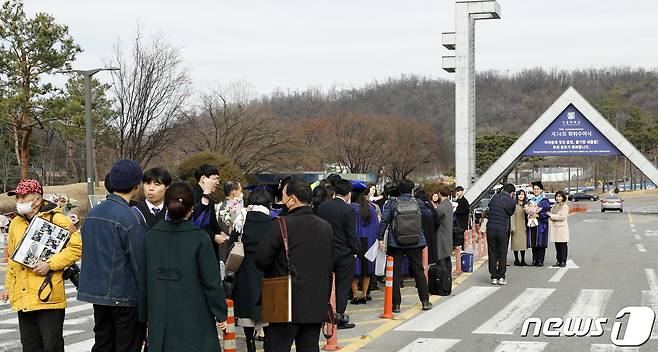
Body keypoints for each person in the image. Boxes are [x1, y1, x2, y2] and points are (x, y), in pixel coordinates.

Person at [139, 181, 228, 351]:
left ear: (167, 206)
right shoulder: (200, 238)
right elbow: (211, 282)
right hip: (195, 319)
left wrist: (143, 319)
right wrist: (220, 313)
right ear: (191, 209)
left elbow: (143, 282)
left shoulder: (150, 237)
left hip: (160, 319)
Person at [1, 179, 82, 352]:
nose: (20, 201)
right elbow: (13, 260)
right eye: (17, 198)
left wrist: (50, 264)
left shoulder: (58, 218)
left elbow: (76, 248)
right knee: (30, 346)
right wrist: (7, 287)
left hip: (48, 294)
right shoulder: (15, 223)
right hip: (23, 296)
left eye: (24, 197)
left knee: (52, 346)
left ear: (37, 199)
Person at [255, 179, 333, 352]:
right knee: (309, 347)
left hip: (285, 301)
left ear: (293, 199)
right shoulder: (325, 227)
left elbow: (261, 259)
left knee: (277, 346)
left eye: (283, 196)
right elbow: (328, 267)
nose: (281, 200)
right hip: (315, 301)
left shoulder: (281, 224)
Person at [79, 159, 147, 351]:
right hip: (124, 294)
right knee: (127, 346)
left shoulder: (92, 214)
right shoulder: (130, 218)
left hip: (98, 293)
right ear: (136, 185)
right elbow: (138, 263)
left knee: (103, 343)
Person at [378, 179, 432, 312]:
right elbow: (429, 216)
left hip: (395, 242)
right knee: (418, 271)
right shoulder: (418, 202)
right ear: (412, 190)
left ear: (400, 190)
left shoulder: (391, 203)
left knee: (395, 274)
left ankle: (396, 305)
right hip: (415, 241)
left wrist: (379, 238)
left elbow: (384, 221)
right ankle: (425, 301)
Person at [231, 189, 274, 352]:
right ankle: (268, 343)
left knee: (246, 311)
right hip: (267, 271)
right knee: (268, 312)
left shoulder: (241, 220)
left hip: (245, 271)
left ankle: (250, 344)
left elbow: (232, 245)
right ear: (267, 204)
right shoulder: (273, 222)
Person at [317, 179, 360, 329]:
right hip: (344, 253)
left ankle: (323, 314)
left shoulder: (323, 208)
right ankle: (339, 317)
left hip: (325, 252)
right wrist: (356, 251)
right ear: (349, 194)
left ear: (335, 192)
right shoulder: (348, 211)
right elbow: (351, 235)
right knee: (343, 286)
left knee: (325, 285)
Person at [191, 164, 231, 263]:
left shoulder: (209, 197)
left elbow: (212, 221)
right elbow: (195, 222)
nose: (217, 183)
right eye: (215, 179)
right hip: (199, 248)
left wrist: (220, 231)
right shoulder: (193, 196)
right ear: (203, 178)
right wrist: (213, 236)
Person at [350, 183, 380, 305]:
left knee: (354, 271)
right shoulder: (371, 208)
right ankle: (364, 295)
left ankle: (355, 296)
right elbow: (376, 227)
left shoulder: (351, 208)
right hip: (368, 243)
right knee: (367, 270)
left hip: (355, 243)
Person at [485, 184, 516, 285]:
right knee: (502, 254)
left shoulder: (494, 197)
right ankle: (501, 277)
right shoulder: (510, 200)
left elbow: (488, 209)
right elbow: (511, 212)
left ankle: (493, 277)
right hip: (503, 230)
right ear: (512, 193)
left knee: (492, 252)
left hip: (491, 229)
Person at [526, 181, 551, 267]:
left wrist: (538, 215)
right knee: (533, 242)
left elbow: (547, 213)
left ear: (541, 190)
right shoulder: (530, 201)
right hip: (532, 224)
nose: (536, 190)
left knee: (541, 243)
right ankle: (534, 260)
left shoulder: (545, 201)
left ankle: (540, 260)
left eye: (537, 189)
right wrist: (529, 215)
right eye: (534, 189)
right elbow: (526, 211)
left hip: (541, 224)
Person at [432, 185, 454, 271]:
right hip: (448, 234)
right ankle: (447, 277)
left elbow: (434, 218)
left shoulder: (441, 207)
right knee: (447, 257)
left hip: (441, 235)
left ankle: (443, 278)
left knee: (441, 258)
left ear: (440, 194)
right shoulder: (449, 204)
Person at [548, 191, 570, 267]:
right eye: (557, 196)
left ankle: (563, 261)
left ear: (563, 197)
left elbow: (562, 217)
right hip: (555, 228)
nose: (558, 198)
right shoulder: (554, 205)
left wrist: (551, 215)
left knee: (563, 245)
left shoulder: (565, 206)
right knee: (557, 245)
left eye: (560, 196)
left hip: (561, 228)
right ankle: (558, 260)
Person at [511, 190, 529, 266]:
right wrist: (512, 227)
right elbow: (511, 217)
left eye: (523, 194)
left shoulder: (526, 205)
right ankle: (516, 259)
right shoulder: (514, 205)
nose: (521, 196)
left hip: (524, 227)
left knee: (523, 244)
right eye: (519, 194)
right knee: (516, 244)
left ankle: (523, 260)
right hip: (516, 226)